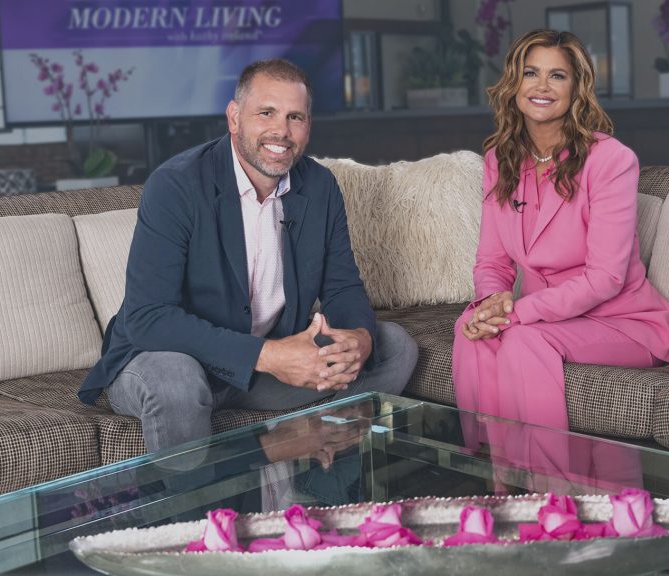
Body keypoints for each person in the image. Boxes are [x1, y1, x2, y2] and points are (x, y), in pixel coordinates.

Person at [78, 59, 418, 466]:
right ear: (235, 117)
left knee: (392, 347)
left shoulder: (320, 186)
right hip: (167, 358)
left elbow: (342, 286)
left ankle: (320, 485)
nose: (282, 131)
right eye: (266, 113)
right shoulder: (176, 184)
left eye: (295, 117)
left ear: (308, 125)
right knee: (177, 384)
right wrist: (269, 355)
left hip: (260, 370)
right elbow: (148, 317)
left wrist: (358, 338)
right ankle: (241, 478)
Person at [452, 30, 669, 488]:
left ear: (577, 88)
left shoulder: (610, 160)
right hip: (546, 318)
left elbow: (606, 277)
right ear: (514, 83)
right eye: (530, 73)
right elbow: (492, 260)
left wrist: (517, 312)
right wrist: (492, 302)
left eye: (557, 76)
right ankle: (498, 473)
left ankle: (549, 485)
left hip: (622, 321)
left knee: (521, 339)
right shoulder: (500, 159)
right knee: (471, 327)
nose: (542, 86)